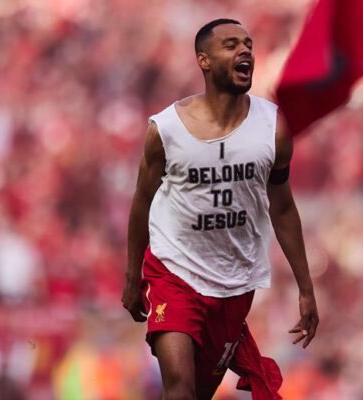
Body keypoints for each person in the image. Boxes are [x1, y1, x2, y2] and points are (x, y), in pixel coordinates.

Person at [122, 18, 319, 399]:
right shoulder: (166, 130)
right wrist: (133, 276)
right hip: (173, 271)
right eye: (231, 45)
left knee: (198, 392)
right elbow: (143, 199)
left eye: (248, 45)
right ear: (204, 61)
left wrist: (306, 288)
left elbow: (282, 208)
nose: (245, 51)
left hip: (233, 284)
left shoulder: (274, 129)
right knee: (179, 388)